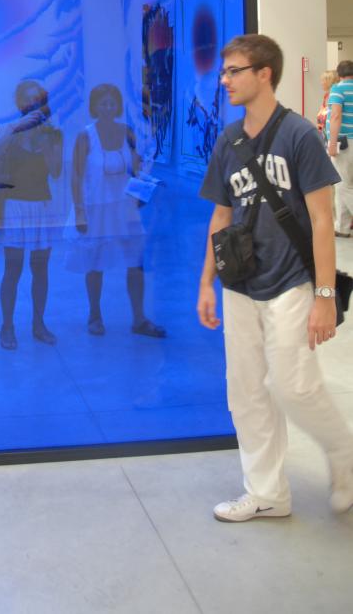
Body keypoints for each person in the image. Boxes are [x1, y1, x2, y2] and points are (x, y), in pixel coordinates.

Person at [197, 33, 353, 521]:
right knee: (245, 391)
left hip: (292, 282)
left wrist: (324, 296)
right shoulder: (228, 141)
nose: (225, 80)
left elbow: (323, 220)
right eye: (223, 72)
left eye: (234, 71)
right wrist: (206, 283)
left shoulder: (299, 135)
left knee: (293, 386)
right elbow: (221, 216)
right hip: (240, 282)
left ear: (264, 74)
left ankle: (344, 455)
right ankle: (266, 493)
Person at [67, 83, 165, 338]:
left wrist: (144, 186)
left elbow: (136, 168)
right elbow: (76, 176)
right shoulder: (85, 137)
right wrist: (79, 211)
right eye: (103, 103)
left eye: (112, 103)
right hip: (96, 208)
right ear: (95, 107)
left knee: (136, 261)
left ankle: (139, 318)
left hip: (125, 208)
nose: (108, 108)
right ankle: (94, 316)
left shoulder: (126, 132)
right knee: (95, 263)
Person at [0, 80, 62, 349]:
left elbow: (56, 172)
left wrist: (47, 144)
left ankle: (38, 324)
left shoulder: (52, 133)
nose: (33, 104)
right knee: (12, 269)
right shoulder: (11, 130)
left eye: (38, 99)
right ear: (19, 103)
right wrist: (15, 129)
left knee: (40, 269)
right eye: (28, 99)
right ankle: (7, 326)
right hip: (14, 205)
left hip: (41, 206)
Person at [327, 59, 353, 238]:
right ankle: (342, 227)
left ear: (339, 74)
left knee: (343, 185)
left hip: (344, 143)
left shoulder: (338, 89)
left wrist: (332, 142)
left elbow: (336, 116)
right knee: (345, 184)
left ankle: (343, 225)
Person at [316, 69, 338, 140]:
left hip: (331, 137)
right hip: (323, 136)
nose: (321, 83)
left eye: (323, 80)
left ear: (329, 82)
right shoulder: (326, 96)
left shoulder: (334, 98)